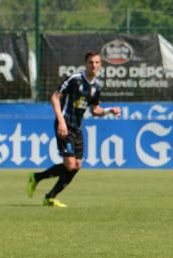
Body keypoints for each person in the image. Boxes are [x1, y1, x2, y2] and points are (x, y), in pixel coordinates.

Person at [26, 51, 121, 208]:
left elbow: (94, 110)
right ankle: (36, 178)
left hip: (77, 128)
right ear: (86, 63)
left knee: (76, 166)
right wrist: (61, 121)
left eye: (97, 63)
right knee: (70, 165)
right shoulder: (75, 80)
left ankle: (49, 196)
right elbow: (55, 97)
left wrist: (109, 110)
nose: (94, 65)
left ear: (100, 65)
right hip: (64, 125)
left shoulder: (96, 87)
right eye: (91, 62)